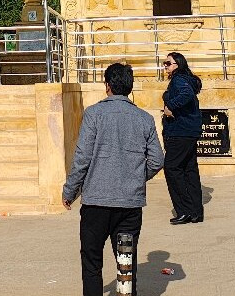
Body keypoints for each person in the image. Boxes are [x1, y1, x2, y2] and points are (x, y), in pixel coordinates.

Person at [62, 62, 164, 296]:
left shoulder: (94, 114)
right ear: (130, 87)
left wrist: (70, 191)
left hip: (96, 204)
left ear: (107, 85)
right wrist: (135, 178)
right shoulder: (144, 118)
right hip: (129, 204)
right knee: (126, 262)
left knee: (92, 262)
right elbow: (157, 160)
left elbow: (82, 158)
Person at [162, 51, 205, 224]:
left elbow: (186, 95)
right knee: (189, 169)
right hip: (189, 131)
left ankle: (185, 210)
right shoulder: (185, 79)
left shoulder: (178, 80)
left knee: (171, 167)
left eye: (168, 63)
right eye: (165, 63)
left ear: (178, 65)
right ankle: (195, 212)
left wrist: (170, 106)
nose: (165, 66)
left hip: (180, 132)